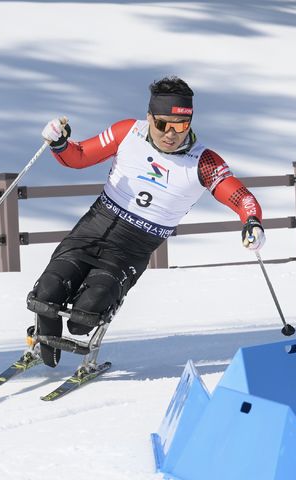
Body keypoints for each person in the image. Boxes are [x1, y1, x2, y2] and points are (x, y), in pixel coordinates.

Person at [26, 76, 265, 369]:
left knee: (83, 320)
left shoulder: (203, 161)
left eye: (180, 126)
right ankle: (41, 338)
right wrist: (60, 143)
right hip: (95, 226)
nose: (170, 134)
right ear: (149, 117)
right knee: (46, 293)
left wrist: (252, 221)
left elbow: (240, 196)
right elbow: (79, 157)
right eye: (163, 124)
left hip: (131, 247)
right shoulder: (128, 131)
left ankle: (80, 330)